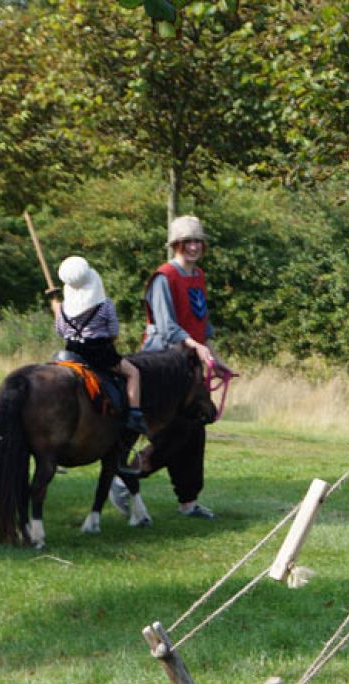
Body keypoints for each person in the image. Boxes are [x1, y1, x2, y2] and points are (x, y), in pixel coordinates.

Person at [111, 215, 219, 520]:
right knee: (174, 430)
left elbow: (202, 321)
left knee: (195, 428)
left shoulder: (198, 275)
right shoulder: (163, 278)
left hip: (190, 363)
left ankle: (188, 500)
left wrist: (211, 352)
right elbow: (167, 325)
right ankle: (125, 475)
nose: (194, 247)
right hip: (163, 364)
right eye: (188, 242)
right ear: (176, 244)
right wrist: (196, 346)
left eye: (198, 241)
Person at [51, 256, 148, 471]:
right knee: (133, 373)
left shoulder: (63, 308)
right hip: (99, 356)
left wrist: (56, 309)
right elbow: (113, 333)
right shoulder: (104, 305)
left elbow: (61, 331)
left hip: (71, 354)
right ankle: (134, 414)